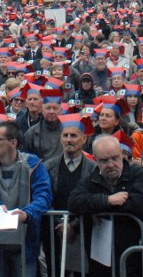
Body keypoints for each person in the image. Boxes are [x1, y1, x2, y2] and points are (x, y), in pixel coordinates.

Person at [68, 135, 143, 277]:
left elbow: (142, 205)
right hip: (100, 256)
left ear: (121, 154)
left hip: (133, 252)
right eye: (104, 160)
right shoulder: (90, 179)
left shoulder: (137, 173)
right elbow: (74, 202)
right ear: (95, 160)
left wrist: (95, 208)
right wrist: (107, 200)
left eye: (114, 158)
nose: (111, 164)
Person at [0, 121, 52, 277]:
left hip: (26, 238)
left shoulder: (33, 164)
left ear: (13, 142)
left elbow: (44, 196)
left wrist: (27, 213)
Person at [43, 115, 97, 276]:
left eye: (73, 136)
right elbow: (45, 197)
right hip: (54, 230)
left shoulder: (93, 169)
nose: (68, 140)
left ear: (83, 139)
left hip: (84, 229)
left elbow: (93, 200)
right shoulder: (49, 166)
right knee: (56, 269)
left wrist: (73, 225)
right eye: (65, 135)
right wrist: (60, 223)